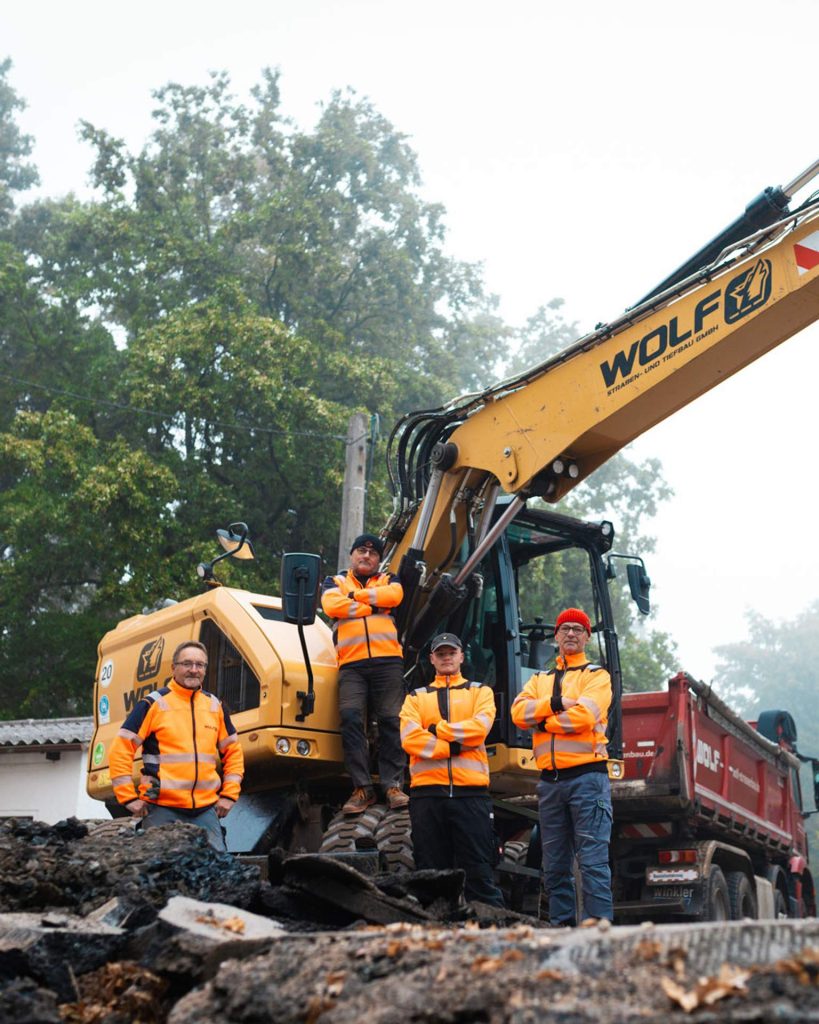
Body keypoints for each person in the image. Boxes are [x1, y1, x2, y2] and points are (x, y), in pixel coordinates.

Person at [510, 607, 613, 925]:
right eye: (565, 628)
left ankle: (599, 934)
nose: (571, 633)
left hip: (587, 779)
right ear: (555, 635)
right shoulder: (540, 679)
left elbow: (583, 717)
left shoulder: (597, 676)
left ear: (587, 637)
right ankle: (562, 933)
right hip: (550, 783)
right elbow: (517, 714)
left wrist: (540, 723)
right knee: (555, 866)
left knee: (593, 862)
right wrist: (555, 705)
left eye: (578, 629)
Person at [399, 632, 505, 908]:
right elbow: (410, 738)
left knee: (479, 873)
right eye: (441, 653)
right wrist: (454, 746)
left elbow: (479, 728)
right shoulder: (415, 698)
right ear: (432, 659)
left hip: (471, 796)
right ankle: (435, 939)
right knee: (430, 876)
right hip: (427, 797)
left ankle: (493, 936)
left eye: (451, 652)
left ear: (461, 656)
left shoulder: (480, 692)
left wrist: (437, 730)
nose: (446, 657)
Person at [109, 640, 244, 851]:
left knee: (219, 872)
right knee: (159, 872)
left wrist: (229, 795)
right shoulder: (153, 704)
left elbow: (234, 752)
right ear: (173, 668)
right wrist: (127, 797)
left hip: (205, 809)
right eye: (187, 664)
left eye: (200, 665)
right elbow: (121, 748)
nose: (194, 670)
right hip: (161, 808)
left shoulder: (214, 706)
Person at [321, 532, 409, 815]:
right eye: (361, 551)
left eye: (372, 553)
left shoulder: (389, 579)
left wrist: (354, 599)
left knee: (391, 721)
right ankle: (362, 788)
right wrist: (375, 605)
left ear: (379, 560)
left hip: (388, 662)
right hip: (351, 664)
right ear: (352, 555)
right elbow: (331, 605)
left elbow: (395, 596)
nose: (366, 556)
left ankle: (392, 785)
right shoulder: (334, 582)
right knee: (350, 719)